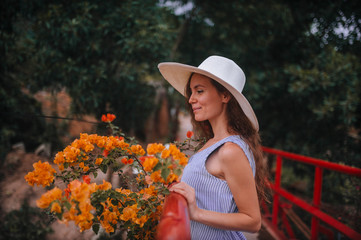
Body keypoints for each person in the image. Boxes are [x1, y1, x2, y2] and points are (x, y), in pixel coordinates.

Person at [158, 55, 268, 239]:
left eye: (199, 91)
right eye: (191, 92)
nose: (191, 99)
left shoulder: (231, 150)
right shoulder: (211, 144)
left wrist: (196, 213)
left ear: (225, 96)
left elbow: (253, 221)